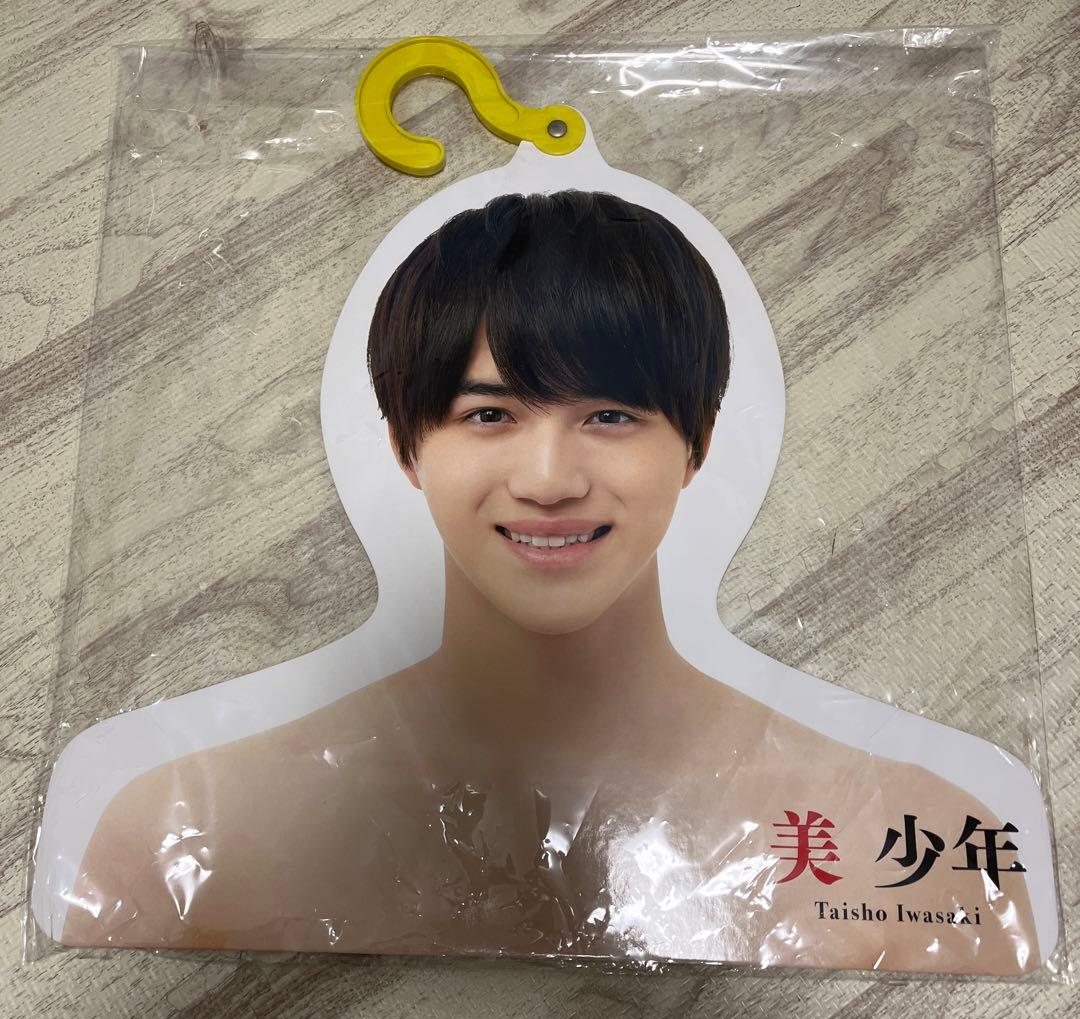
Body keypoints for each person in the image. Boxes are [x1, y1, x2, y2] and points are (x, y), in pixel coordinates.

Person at [60, 191, 1039, 974]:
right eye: (489, 415)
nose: (549, 480)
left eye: (610, 415)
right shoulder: (176, 827)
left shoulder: (918, 839)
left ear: (696, 442)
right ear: (406, 446)